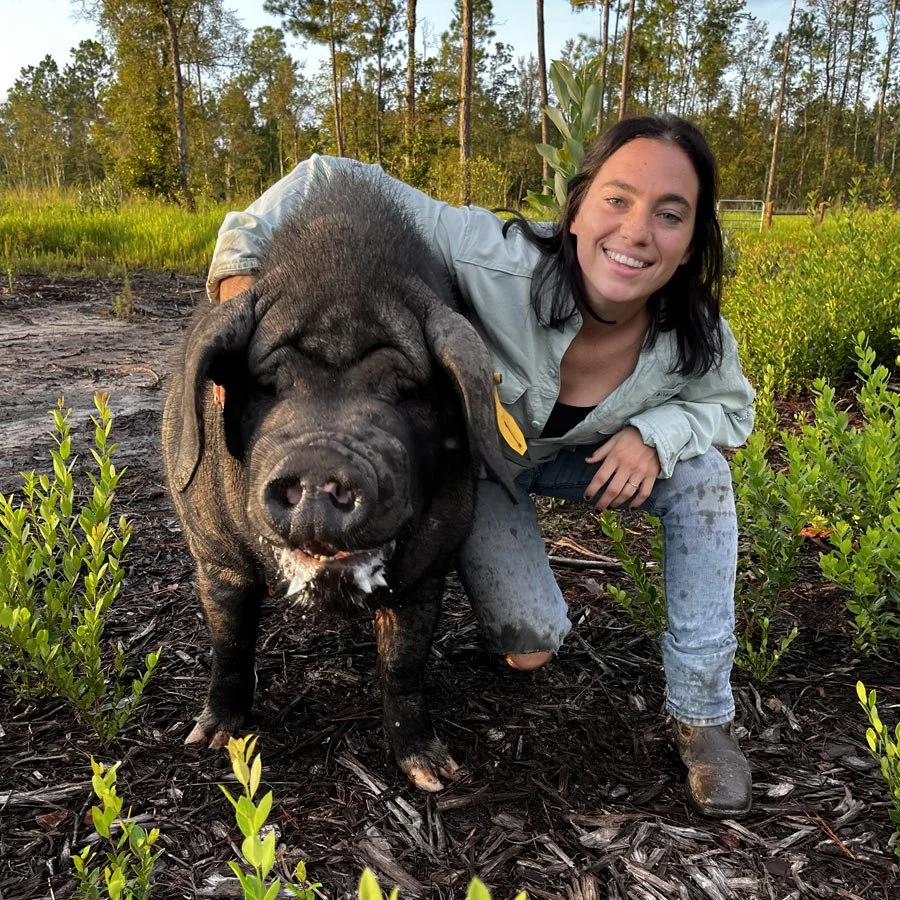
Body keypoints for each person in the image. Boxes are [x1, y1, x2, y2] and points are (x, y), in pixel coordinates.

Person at [205, 113, 756, 819]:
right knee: (531, 647)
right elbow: (332, 174)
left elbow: (732, 412)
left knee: (704, 475)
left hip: (579, 463)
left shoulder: (697, 337)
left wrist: (658, 432)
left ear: (690, 244)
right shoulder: (494, 258)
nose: (638, 231)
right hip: (493, 468)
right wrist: (240, 288)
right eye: (617, 199)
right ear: (578, 208)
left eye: (670, 214)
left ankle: (704, 718)